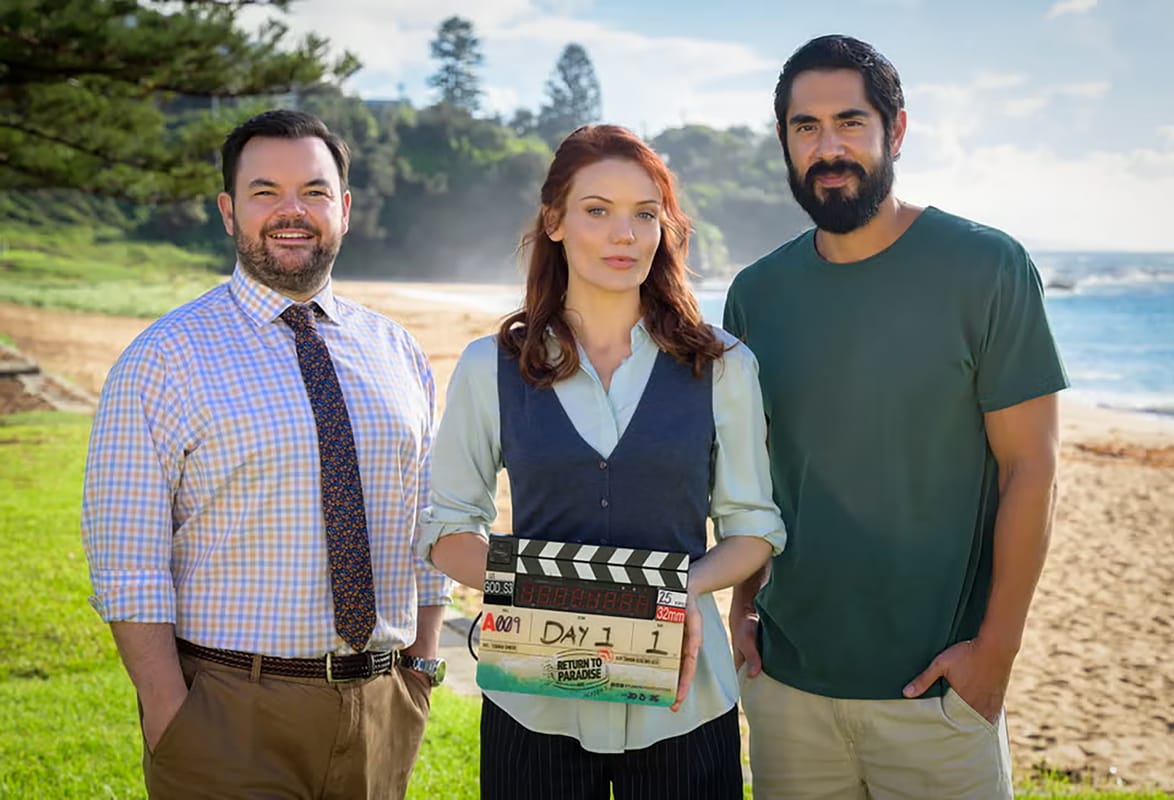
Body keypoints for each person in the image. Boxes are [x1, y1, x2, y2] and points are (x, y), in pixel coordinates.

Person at [724, 35, 1069, 800]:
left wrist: (996, 653)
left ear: (897, 131)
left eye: (850, 122)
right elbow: (754, 474)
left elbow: (1032, 468)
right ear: (783, 140)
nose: (828, 147)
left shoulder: (987, 268)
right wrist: (744, 607)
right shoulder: (757, 293)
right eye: (805, 128)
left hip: (939, 695)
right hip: (787, 691)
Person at [81, 109, 451, 799]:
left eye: (314, 191)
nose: (292, 211)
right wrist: (170, 715)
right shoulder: (164, 357)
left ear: (343, 208)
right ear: (228, 210)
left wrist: (421, 667)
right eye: (264, 192)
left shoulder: (398, 352)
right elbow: (127, 560)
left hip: (381, 705)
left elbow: (427, 521)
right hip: (228, 710)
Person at [419, 124, 786, 800]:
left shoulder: (724, 365)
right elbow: (446, 534)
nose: (626, 234)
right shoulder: (488, 367)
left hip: (684, 703)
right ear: (554, 222)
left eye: (645, 214)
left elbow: (754, 529)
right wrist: (592, 608)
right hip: (535, 700)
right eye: (598, 211)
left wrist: (672, 597)